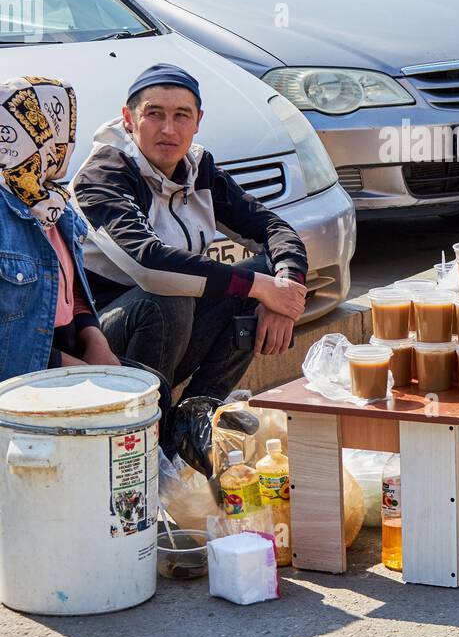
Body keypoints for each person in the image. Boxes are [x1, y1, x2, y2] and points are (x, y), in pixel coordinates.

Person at [71, 65, 309, 402]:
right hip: (102, 342)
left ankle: (197, 416)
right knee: (173, 296)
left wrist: (285, 291)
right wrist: (261, 288)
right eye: (154, 114)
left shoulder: (198, 168)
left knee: (267, 272)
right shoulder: (103, 174)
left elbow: (273, 228)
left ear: (197, 121)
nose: (168, 129)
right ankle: (150, 425)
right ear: (128, 118)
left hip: (172, 331)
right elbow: (150, 266)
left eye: (181, 116)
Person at [0, 76, 120, 381]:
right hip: (20, 372)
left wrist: (95, 338)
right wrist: (58, 364)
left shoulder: (53, 203)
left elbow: (69, 292)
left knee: (154, 391)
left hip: (65, 351)